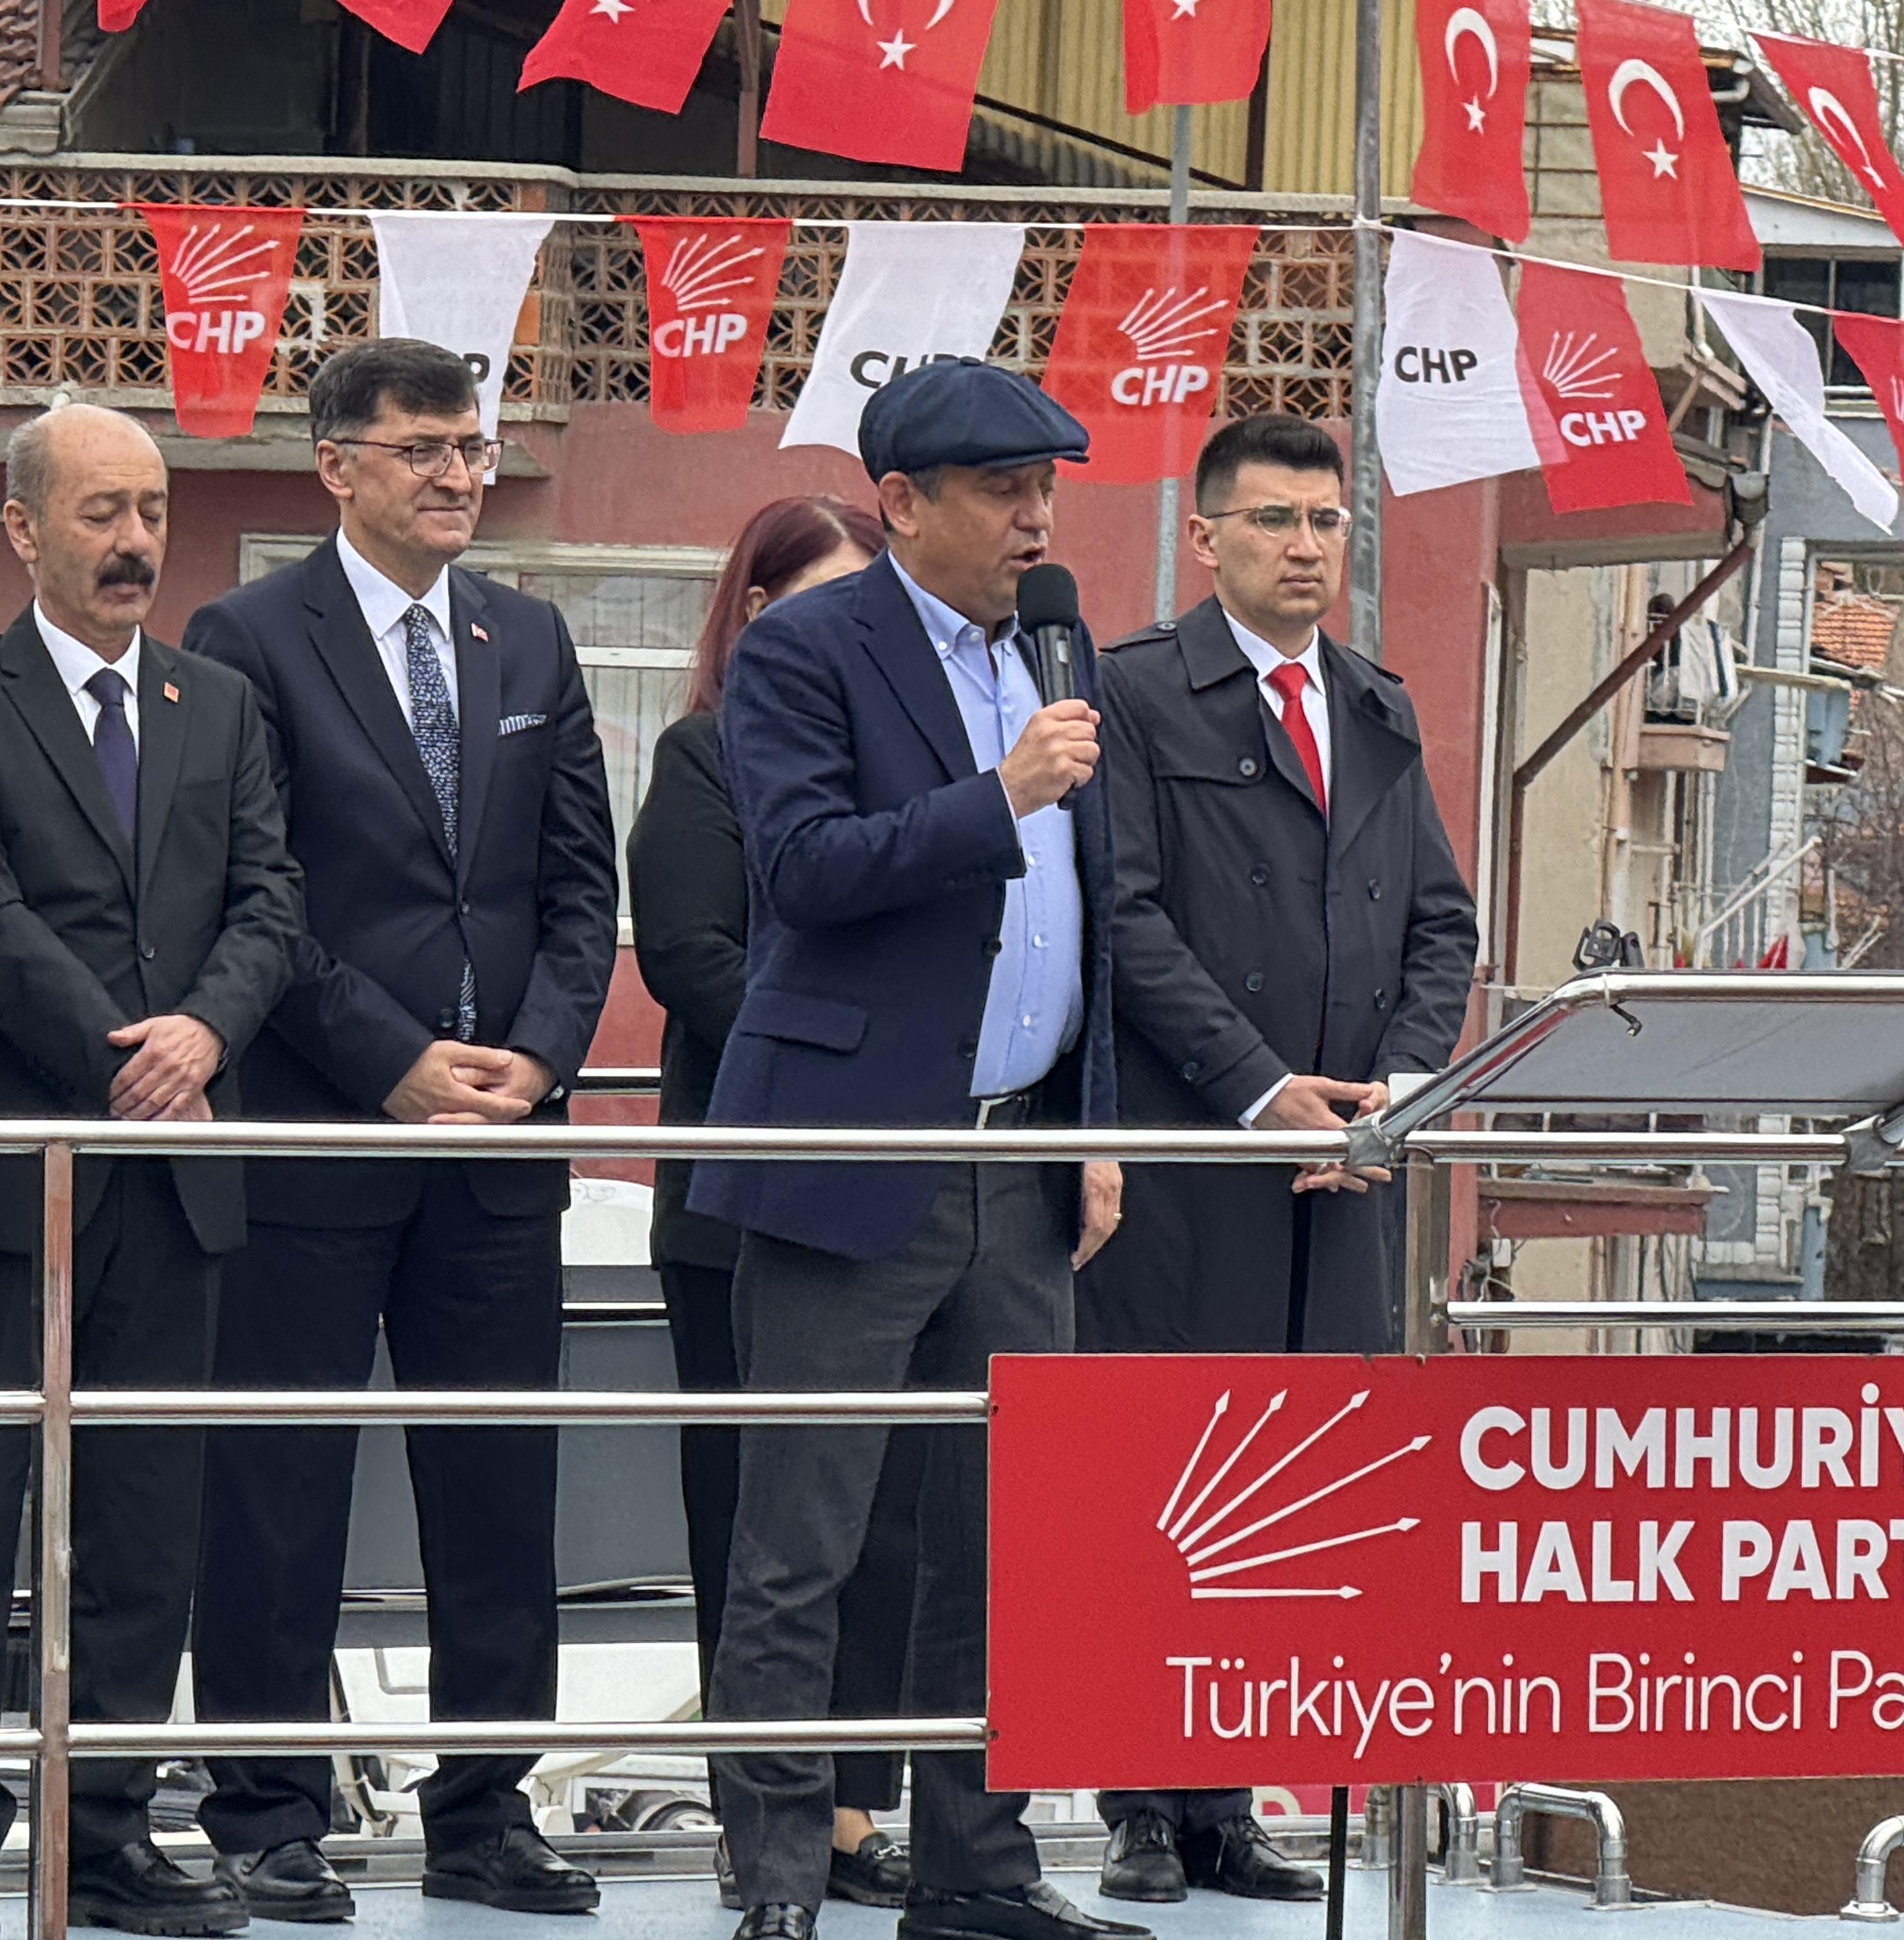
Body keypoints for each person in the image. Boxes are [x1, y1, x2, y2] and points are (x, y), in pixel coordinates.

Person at [693, 359, 1141, 1940]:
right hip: (854, 1149)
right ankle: (777, 1876)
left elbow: (1088, 921)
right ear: (902, 502)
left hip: (1022, 1162)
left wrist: (1091, 1127)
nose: (1038, 520)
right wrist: (997, 793)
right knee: (801, 1542)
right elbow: (805, 869)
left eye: (1048, 489)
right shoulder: (807, 648)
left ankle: (978, 1869)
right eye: (1004, 489)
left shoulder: (1059, 653)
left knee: (1004, 1545)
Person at [185, 339, 618, 1921]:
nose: (456, 475)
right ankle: (266, 1813)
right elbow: (253, 891)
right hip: (318, 1132)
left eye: (470, 447)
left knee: (499, 1490)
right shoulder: (247, 639)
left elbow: (581, 884)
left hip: (499, 1149)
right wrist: (392, 1063)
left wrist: (539, 1059)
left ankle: (487, 1813)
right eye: (423, 447)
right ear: (337, 464)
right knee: (277, 1489)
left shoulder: (529, 636)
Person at [0, 404, 302, 1940]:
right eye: (101, 513)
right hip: (12, 1173)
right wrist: (125, 1058)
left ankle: (108, 1832)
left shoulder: (220, 702)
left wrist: (203, 1034)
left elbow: (271, 897)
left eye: (153, 510)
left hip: (180, 1173)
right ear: (22, 530)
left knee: (145, 1517)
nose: (136, 541)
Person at [1079, 413, 1476, 1905]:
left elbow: (1440, 921)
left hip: (1344, 1178)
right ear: (1205, 538)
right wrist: (1258, 1092)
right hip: (1197, 1163)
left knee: (1296, 1492)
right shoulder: (1133, 693)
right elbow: (1124, 918)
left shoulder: (1376, 706)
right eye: (1273, 520)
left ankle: (1230, 1801)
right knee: (1164, 1487)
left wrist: (1397, 1100)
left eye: (1325, 521)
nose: (1306, 547)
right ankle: (1137, 1800)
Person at [626, 497, 917, 1916]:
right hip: (744, 1199)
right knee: (758, 1524)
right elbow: (692, 955)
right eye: (834, 601)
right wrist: (855, 1052)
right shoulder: (705, 756)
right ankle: (768, 1825)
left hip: (897, 1196)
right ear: (755, 612)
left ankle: (857, 1808)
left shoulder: (905, 763)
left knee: (889, 1516)